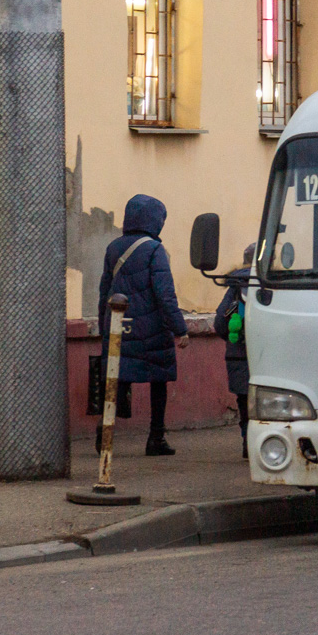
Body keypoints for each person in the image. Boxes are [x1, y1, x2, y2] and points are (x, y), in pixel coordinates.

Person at [97, 194, 190, 456]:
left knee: (115, 379)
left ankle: (103, 434)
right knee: (158, 381)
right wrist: (180, 329)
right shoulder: (154, 249)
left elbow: (104, 292)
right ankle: (156, 438)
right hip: (151, 329)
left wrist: (105, 328)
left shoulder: (113, 248)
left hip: (119, 326)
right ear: (155, 220)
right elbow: (165, 294)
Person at [213, 244, 255, 459]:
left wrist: (233, 342)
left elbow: (220, 323)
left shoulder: (235, 286)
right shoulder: (274, 283)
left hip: (238, 355)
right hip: (268, 355)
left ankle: (247, 440)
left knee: (244, 401)